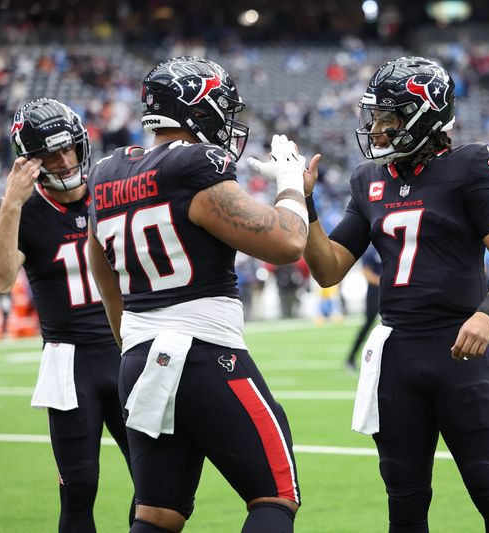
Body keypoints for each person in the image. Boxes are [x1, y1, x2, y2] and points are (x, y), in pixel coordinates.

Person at [302, 56, 489, 532]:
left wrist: (488, 312)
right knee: (404, 501)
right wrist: (302, 202)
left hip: (459, 351)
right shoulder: (369, 180)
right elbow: (328, 269)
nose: (378, 129)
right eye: (376, 118)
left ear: (425, 115)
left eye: (390, 118)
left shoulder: (467, 167)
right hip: (398, 355)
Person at [86, 56, 308, 533]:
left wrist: (130, 337)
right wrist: (291, 185)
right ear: (198, 111)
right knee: (275, 494)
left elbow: (100, 268)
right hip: (206, 354)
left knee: (157, 513)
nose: (227, 123)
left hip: (139, 358)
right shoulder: (194, 163)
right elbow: (289, 242)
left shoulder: (106, 174)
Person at [0, 98, 134, 532]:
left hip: (130, 349)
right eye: (50, 153)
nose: (64, 160)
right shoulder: (21, 211)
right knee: (79, 491)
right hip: (70, 363)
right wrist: (11, 204)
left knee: (159, 486)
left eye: (68, 148)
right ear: (29, 161)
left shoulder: (113, 189)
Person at [344, 243, 381, 371]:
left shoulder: (389, 245)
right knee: (368, 324)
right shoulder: (371, 250)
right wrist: (383, 282)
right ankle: (351, 357)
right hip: (375, 292)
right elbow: (366, 272)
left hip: (389, 290)